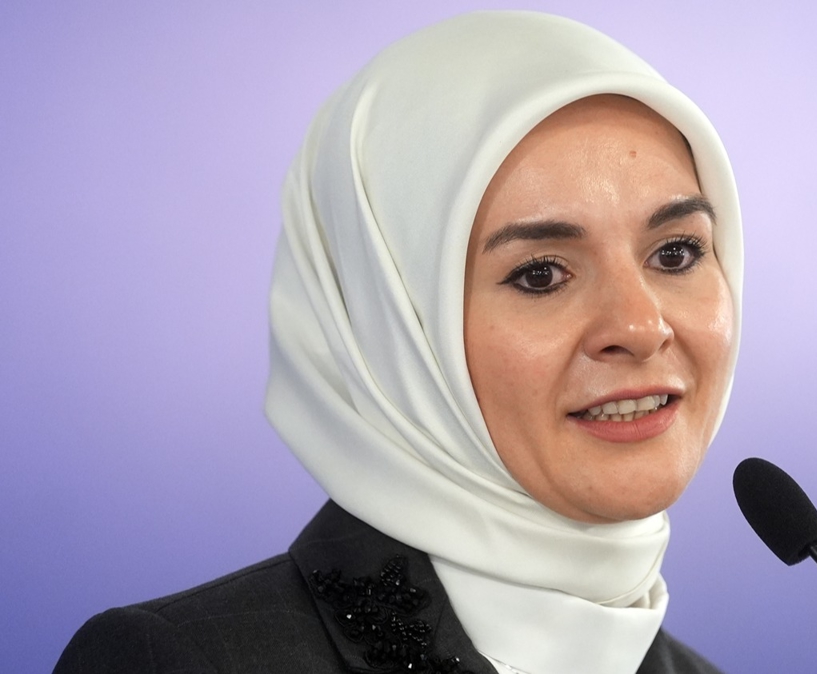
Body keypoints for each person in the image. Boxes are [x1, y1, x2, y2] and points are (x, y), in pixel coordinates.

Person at [54, 10, 742, 673]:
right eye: (540, 274)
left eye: (676, 253)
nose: (640, 327)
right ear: (394, 329)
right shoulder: (180, 661)